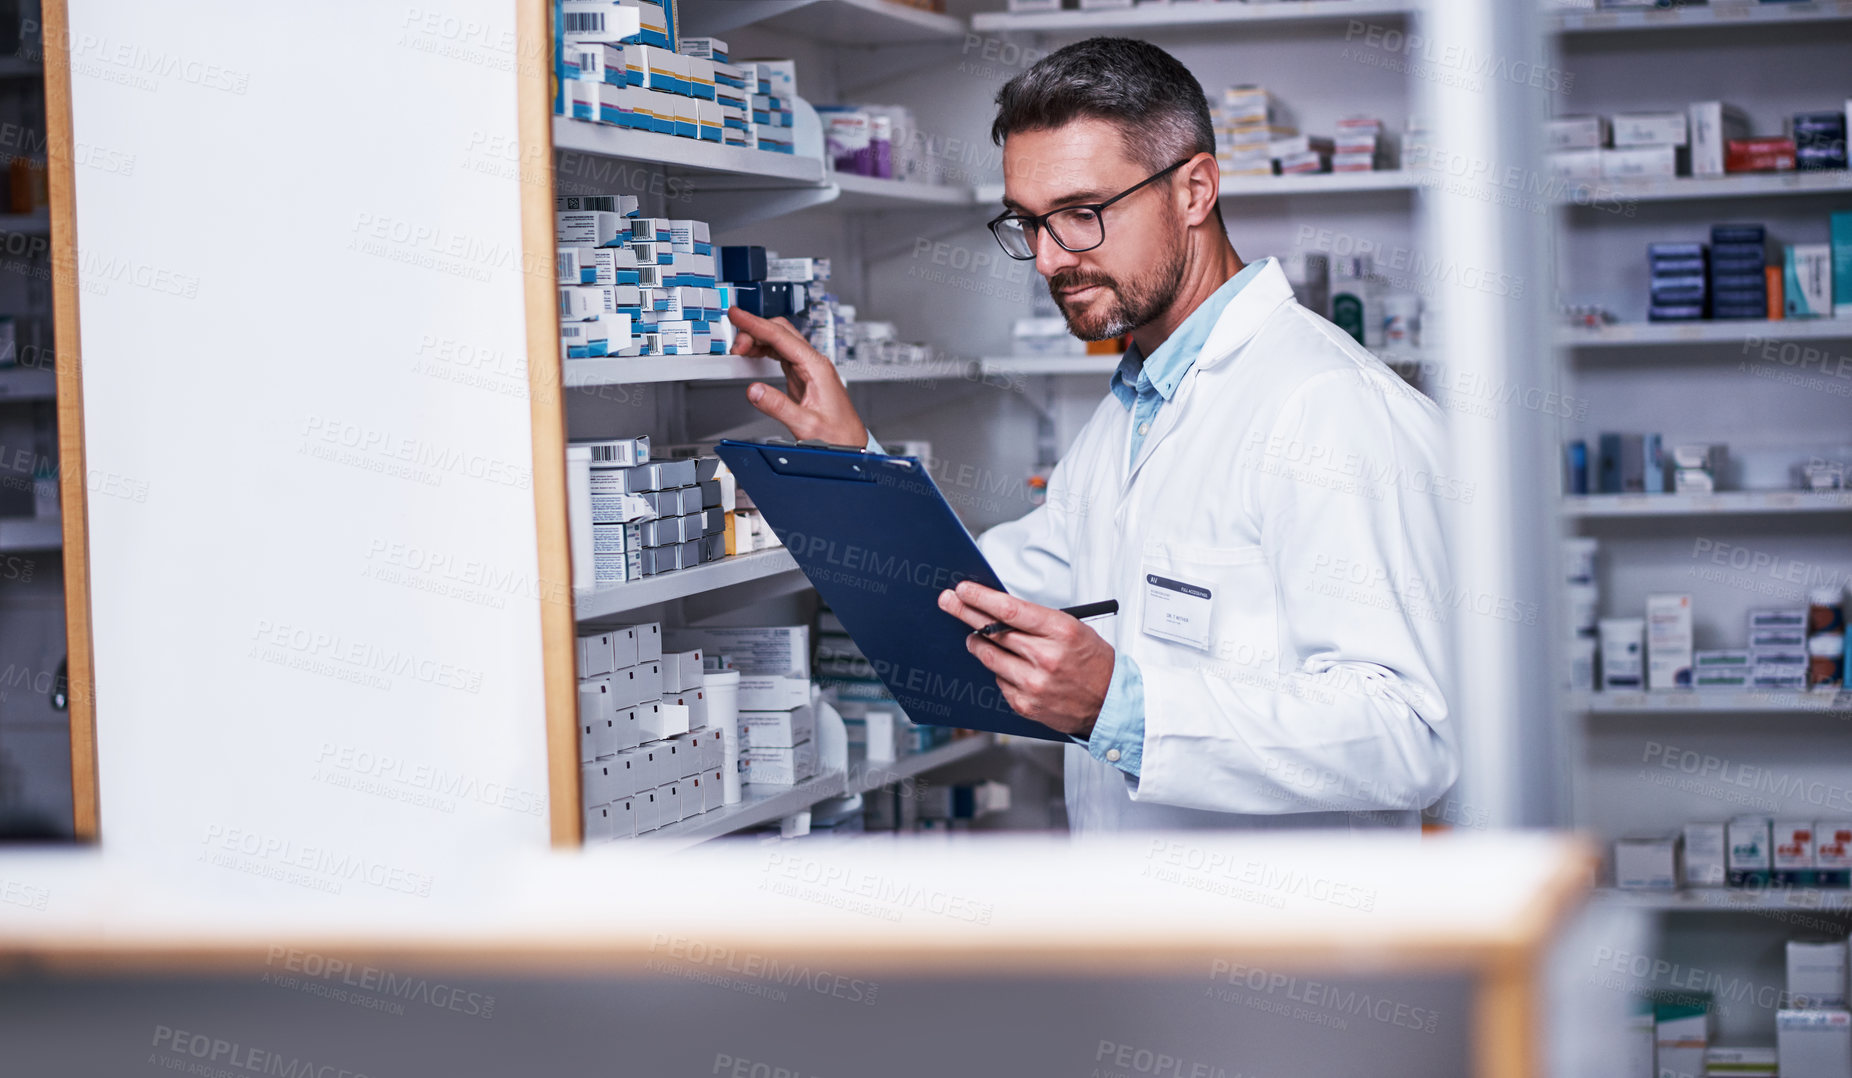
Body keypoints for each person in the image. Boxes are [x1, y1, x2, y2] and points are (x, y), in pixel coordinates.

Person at [724, 37, 1457, 833]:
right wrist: (852, 468)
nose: (1047, 260)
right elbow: (983, 600)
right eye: (1029, 224)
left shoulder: (1328, 405)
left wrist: (1124, 707)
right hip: (1136, 931)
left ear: (1196, 190)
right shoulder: (1127, 416)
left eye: (1082, 215)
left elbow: (1411, 734)